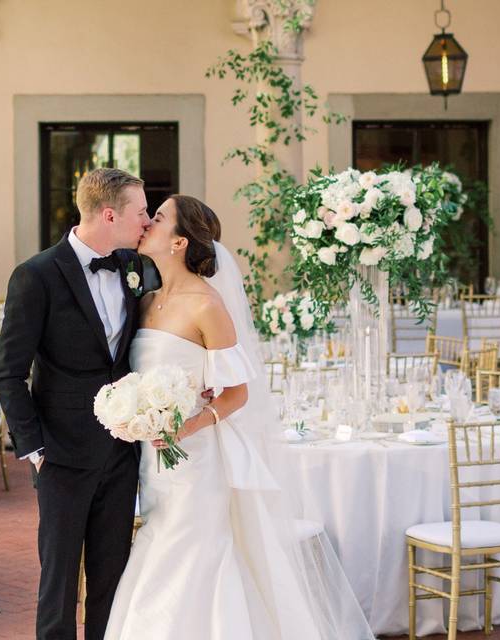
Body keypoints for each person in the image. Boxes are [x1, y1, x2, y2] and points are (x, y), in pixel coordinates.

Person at [104, 195, 374, 640]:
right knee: (161, 539)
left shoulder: (207, 305)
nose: (149, 222)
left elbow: (237, 392)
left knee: (186, 551)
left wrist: (187, 425)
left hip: (197, 459)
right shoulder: (146, 300)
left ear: (179, 242)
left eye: (160, 217)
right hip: (155, 459)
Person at [0, 167, 151, 640]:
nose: (146, 221)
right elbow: (8, 372)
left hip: (121, 453)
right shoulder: (36, 275)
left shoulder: (136, 267)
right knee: (58, 583)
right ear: (109, 214)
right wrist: (36, 449)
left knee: (112, 577)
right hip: (60, 455)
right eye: (141, 212)